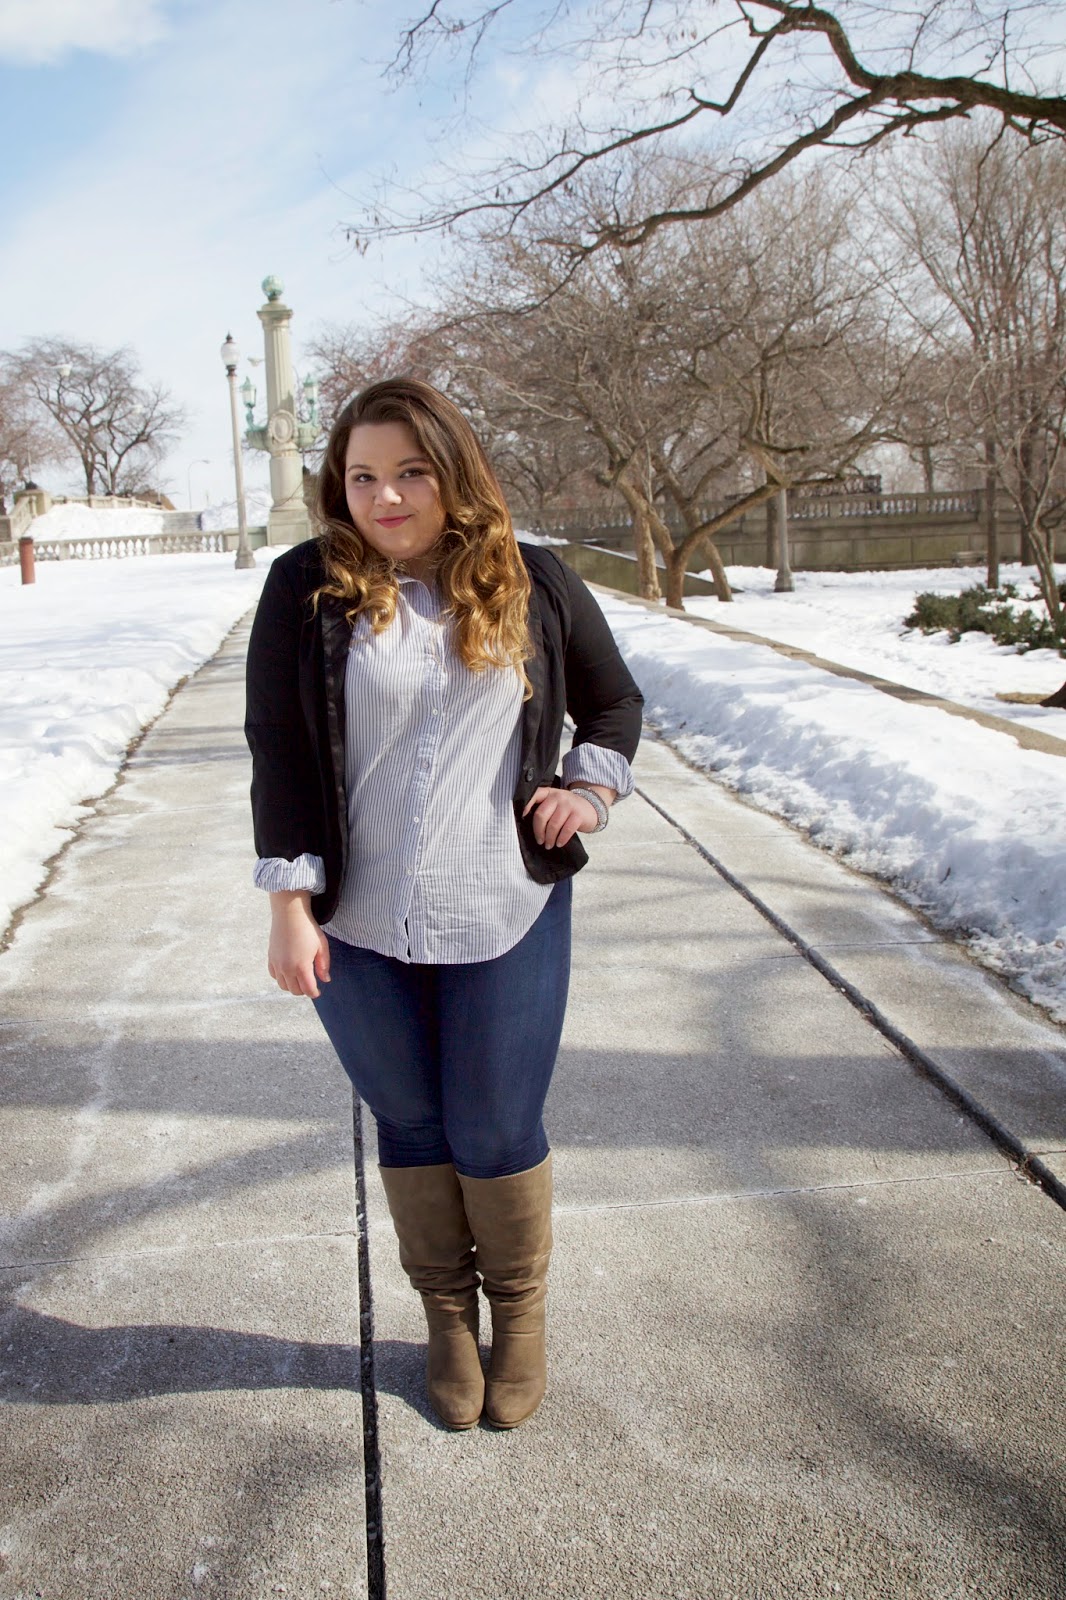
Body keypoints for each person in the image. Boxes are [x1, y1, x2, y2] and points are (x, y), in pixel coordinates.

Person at [245, 377, 642, 1431]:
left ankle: (519, 1316)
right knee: (413, 1122)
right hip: (356, 920)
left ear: (451, 472)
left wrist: (588, 790)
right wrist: (289, 899)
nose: (384, 496)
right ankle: (446, 1322)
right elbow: (279, 749)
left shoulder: (533, 580)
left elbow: (613, 699)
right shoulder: (306, 586)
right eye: (363, 475)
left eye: (409, 471)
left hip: (500, 904)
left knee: (495, 1121)